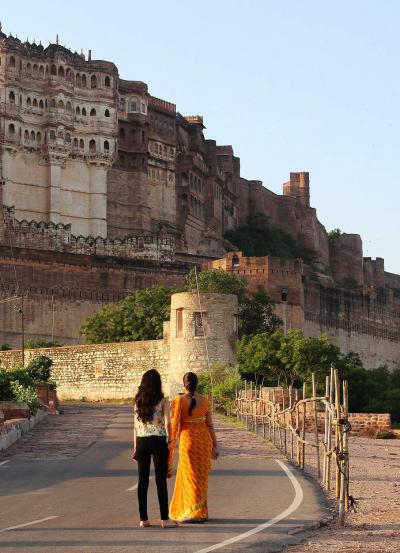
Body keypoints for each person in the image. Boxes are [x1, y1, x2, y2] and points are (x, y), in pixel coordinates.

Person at [168, 371, 219, 522]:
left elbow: (174, 425)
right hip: (204, 441)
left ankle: (193, 512)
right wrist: (215, 446)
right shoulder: (205, 401)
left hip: (188, 441)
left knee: (190, 477)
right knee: (201, 477)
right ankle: (201, 513)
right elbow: (209, 425)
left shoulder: (179, 401)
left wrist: (169, 445)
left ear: (184, 385)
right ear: (197, 384)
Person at [133, 369, 177, 528]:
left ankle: (143, 519)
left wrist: (135, 447)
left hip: (141, 442)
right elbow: (168, 423)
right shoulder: (162, 400)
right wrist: (171, 439)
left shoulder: (138, 400)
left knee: (142, 480)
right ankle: (164, 519)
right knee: (160, 480)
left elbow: (135, 426)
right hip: (158, 441)